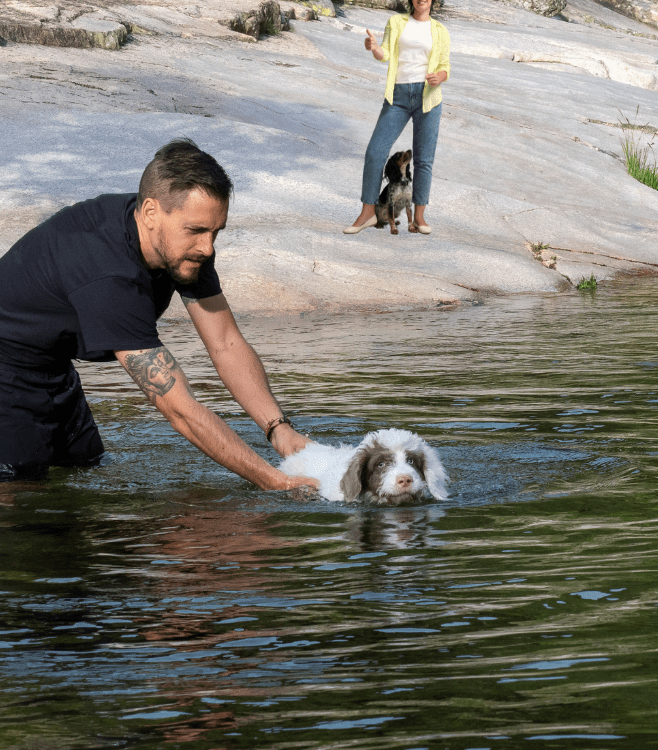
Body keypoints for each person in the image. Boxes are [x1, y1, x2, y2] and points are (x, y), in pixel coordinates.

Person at [0, 138, 319, 491]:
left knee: (84, 471)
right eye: (197, 230)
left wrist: (279, 429)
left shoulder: (182, 247)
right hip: (5, 365)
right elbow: (180, 411)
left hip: (49, 364)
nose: (208, 247)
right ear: (151, 212)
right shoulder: (109, 277)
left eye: (216, 231)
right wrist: (274, 480)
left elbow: (226, 343)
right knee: (19, 494)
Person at [344, 0, 450, 235]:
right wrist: (373, 47)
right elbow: (385, 54)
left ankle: (419, 216)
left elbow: (445, 66)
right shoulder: (396, 22)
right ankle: (368, 213)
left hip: (428, 98)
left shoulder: (440, 31)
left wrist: (439, 77)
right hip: (399, 97)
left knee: (423, 160)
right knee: (375, 152)